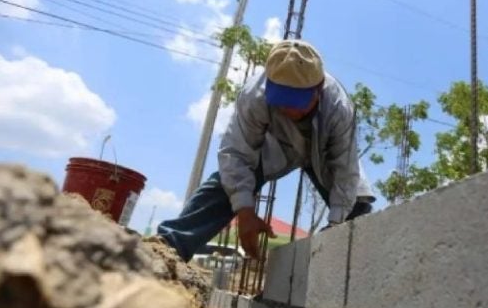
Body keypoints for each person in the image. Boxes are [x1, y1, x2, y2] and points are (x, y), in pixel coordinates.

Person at [158, 39, 374, 262]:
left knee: (354, 209)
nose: (288, 109)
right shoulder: (255, 95)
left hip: (324, 152)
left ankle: (346, 272)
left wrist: (335, 226)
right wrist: (245, 211)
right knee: (227, 181)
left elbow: (345, 169)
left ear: (318, 89)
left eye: (296, 102)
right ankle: (169, 246)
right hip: (277, 146)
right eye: (281, 100)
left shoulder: (338, 107)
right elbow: (236, 154)